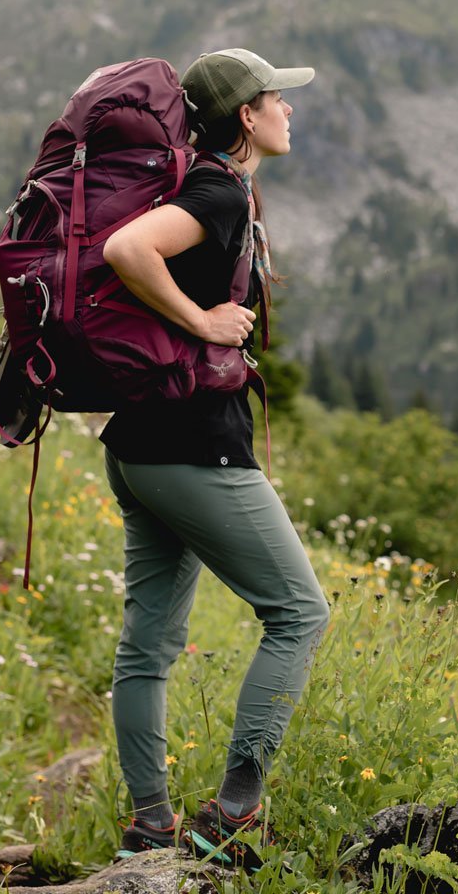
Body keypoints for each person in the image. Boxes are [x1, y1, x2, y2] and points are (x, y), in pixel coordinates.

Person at [98, 48, 330, 861]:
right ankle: (232, 815)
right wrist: (201, 322)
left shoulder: (206, 181)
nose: (288, 110)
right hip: (195, 447)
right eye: (277, 98)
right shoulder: (218, 189)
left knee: (148, 644)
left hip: (139, 446)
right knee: (300, 614)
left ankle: (150, 826)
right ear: (246, 116)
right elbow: (127, 250)